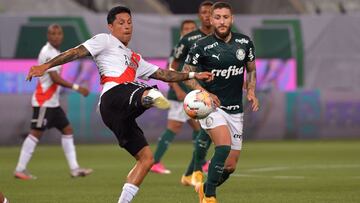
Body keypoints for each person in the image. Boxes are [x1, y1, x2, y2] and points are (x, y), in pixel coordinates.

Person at [26, 6, 213, 203]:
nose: (127, 27)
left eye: (129, 22)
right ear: (111, 26)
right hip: (113, 97)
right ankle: (149, 96)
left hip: (120, 113)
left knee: (146, 159)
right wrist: (45, 66)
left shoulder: (135, 58)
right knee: (143, 89)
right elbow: (75, 52)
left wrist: (193, 74)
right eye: (121, 23)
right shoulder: (104, 40)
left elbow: (165, 74)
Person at [182, 2, 259, 203]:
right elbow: (185, 74)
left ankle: (205, 188)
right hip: (211, 108)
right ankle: (209, 197)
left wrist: (251, 90)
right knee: (223, 147)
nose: (222, 21)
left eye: (226, 17)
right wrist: (203, 93)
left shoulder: (245, 43)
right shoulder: (201, 46)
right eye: (218, 17)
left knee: (231, 166)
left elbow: (251, 69)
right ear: (211, 19)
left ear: (232, 19)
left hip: (236, 109)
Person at [14, 24, 93, 180]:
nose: (56, 36)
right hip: (44, 101)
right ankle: (20, 169)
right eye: (52, 33)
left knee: (67, 130)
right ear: (48, 36)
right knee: (36, 133)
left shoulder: (55, 52)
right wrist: (78, 88)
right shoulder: (47, 52)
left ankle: (75, 169)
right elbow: (54, 78)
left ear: (62, 36)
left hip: (52, 103)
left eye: (58, 33)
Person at [171, 1, 214, 187]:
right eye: (203, 12)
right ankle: (196, 172)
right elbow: (173, 67)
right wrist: (179, 89)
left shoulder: (222, 37)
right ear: (199, 16)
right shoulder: (189, 39)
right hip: (196, 92)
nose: (206, 15)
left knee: (207, 133)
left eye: (210, 12)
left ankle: (190, 174)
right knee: (206, 131)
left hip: (217, 91)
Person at [150, 19, 198, 174]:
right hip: (180, 95)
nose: (190, 30)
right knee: (174, 127)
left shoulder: (198, 48)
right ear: (182, 32)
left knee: (200, 128)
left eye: (192, 28)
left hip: (193, 95)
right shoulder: (179, 48)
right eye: (186, 28)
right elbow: (169, 70)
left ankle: (200, 161)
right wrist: (177, 88)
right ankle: (154, 161)